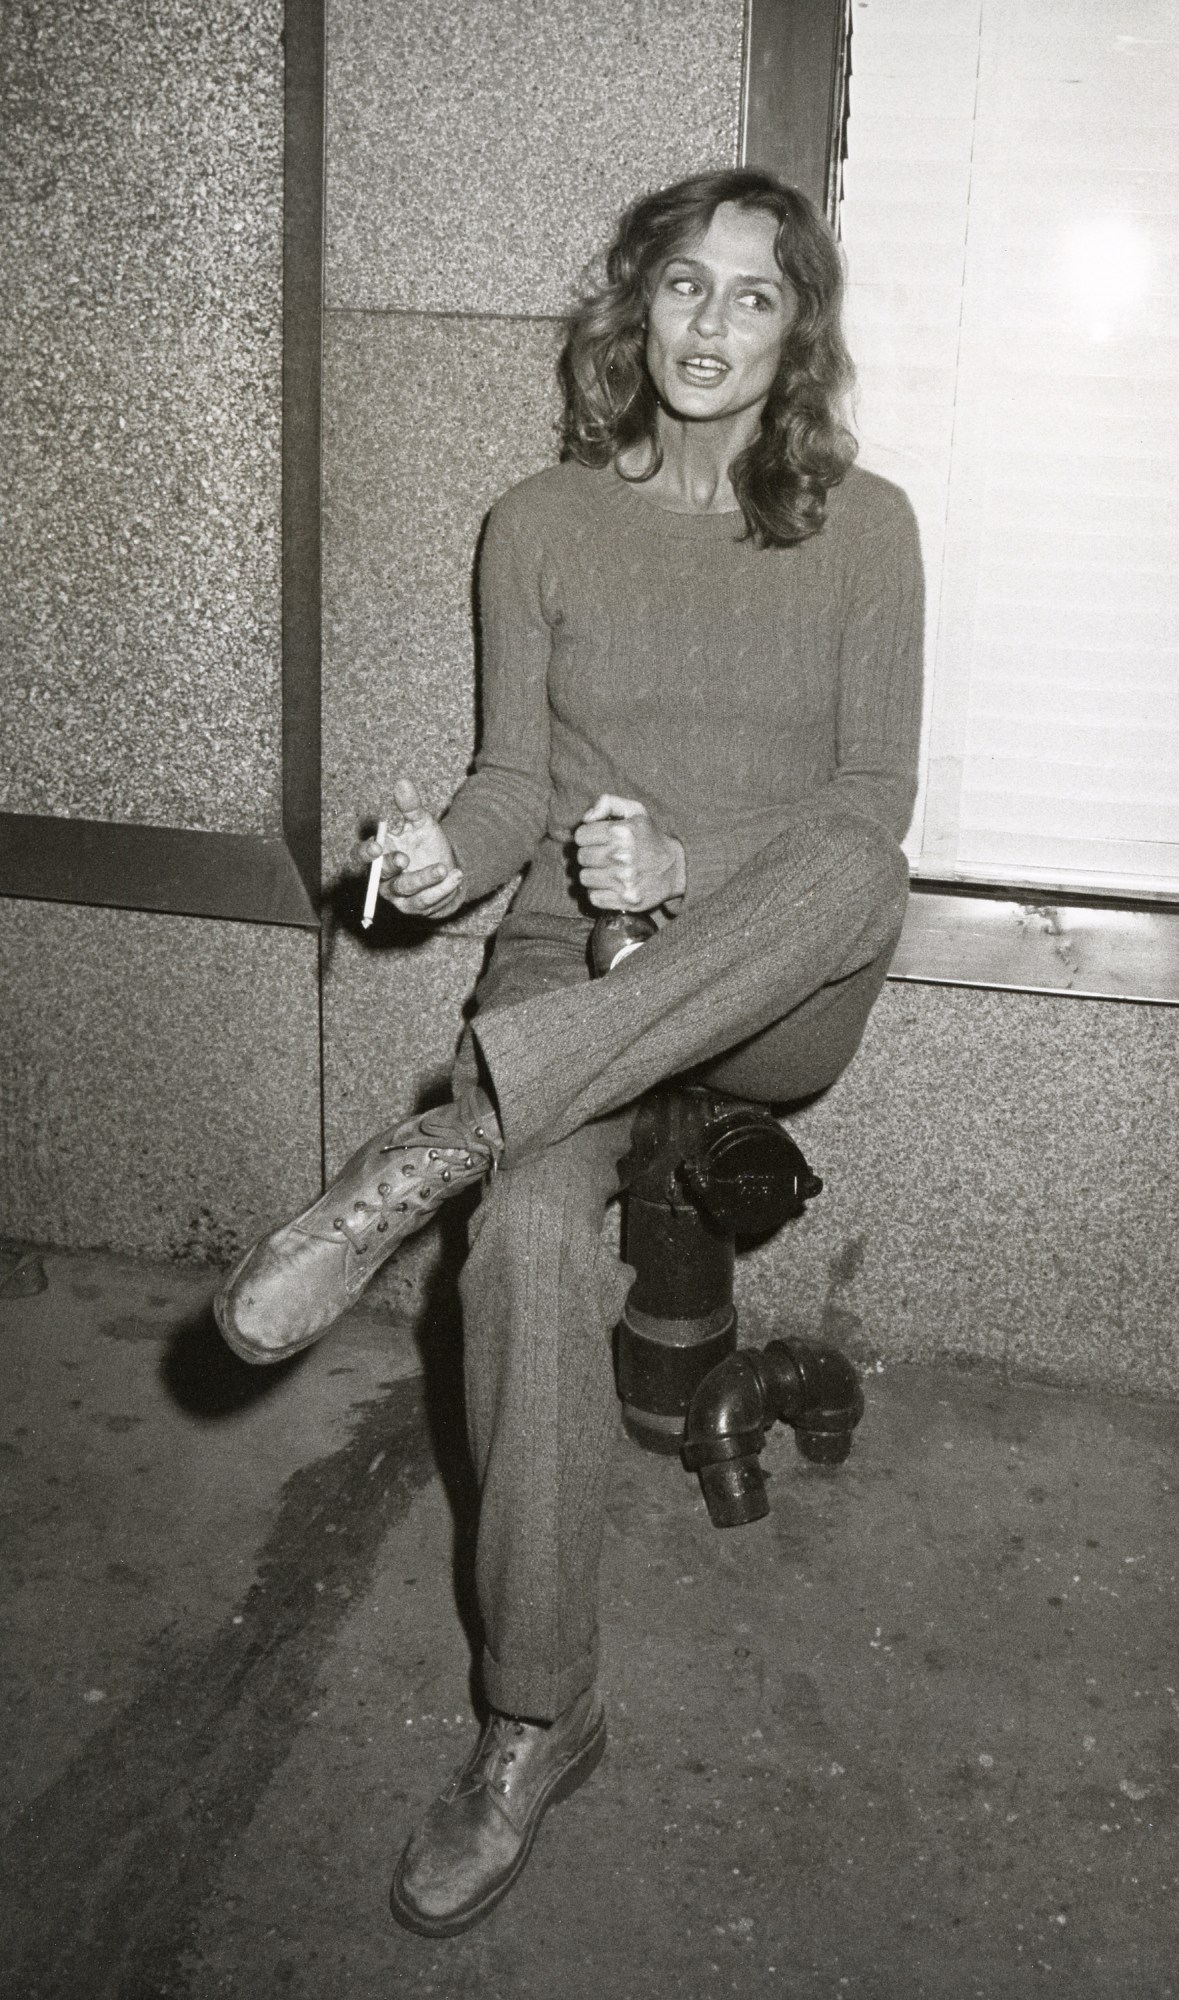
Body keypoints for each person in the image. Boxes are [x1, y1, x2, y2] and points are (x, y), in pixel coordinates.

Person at [215, 166, 924, 1936]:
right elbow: (510, 786)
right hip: (570, 967)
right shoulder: (536, 521)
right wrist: (441, 856)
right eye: (682, 285)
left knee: (862, 860)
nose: (708, 325)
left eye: (752, 297)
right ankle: (537, 1717)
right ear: (636, 305)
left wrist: (698, 874)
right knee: (526, 1242)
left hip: (773, 983)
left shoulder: (871, 529)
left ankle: (454, 1131)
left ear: (797, 331)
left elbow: (866, 805)